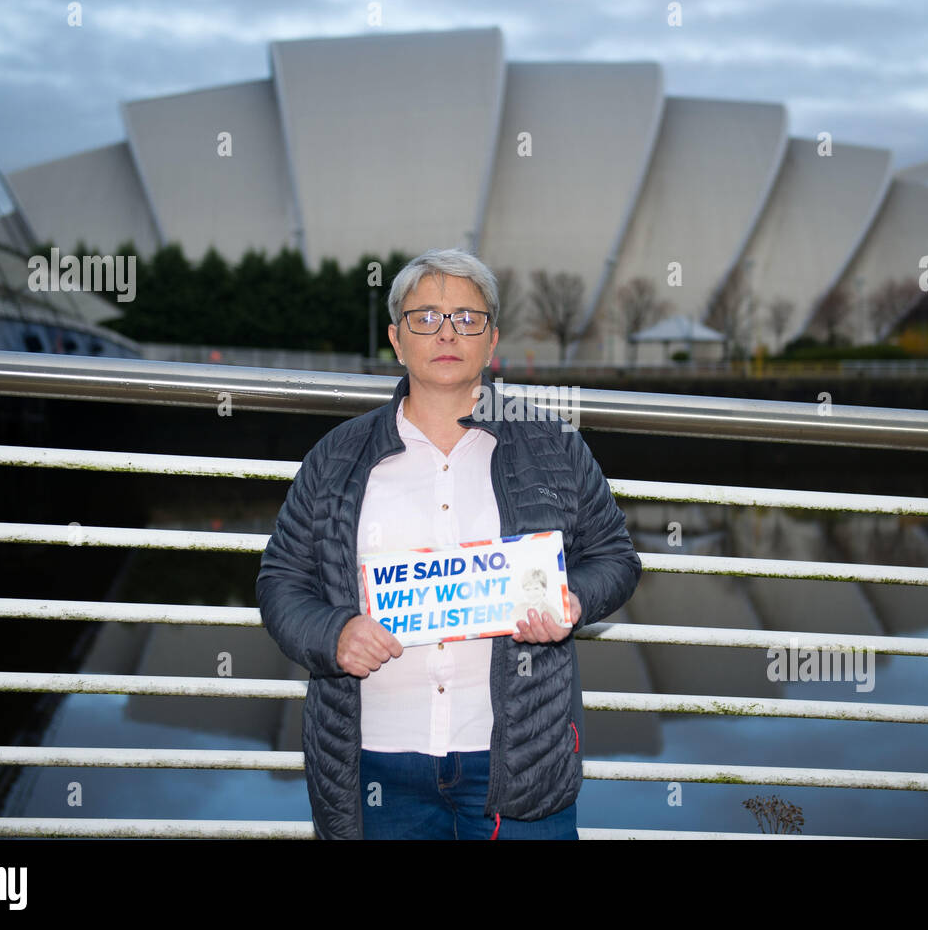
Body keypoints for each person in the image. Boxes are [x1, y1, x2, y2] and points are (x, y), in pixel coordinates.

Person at [256, 248, 642, 840]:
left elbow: (615, 557)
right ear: (396, 337)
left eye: (467, 318)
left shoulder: (553, 446)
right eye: (425, 317)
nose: (446, 332)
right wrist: (332, 634)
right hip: (373, 759)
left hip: (517, 758)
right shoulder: (337, 456)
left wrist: (572, 601)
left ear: (491, 340)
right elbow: (281, 581)